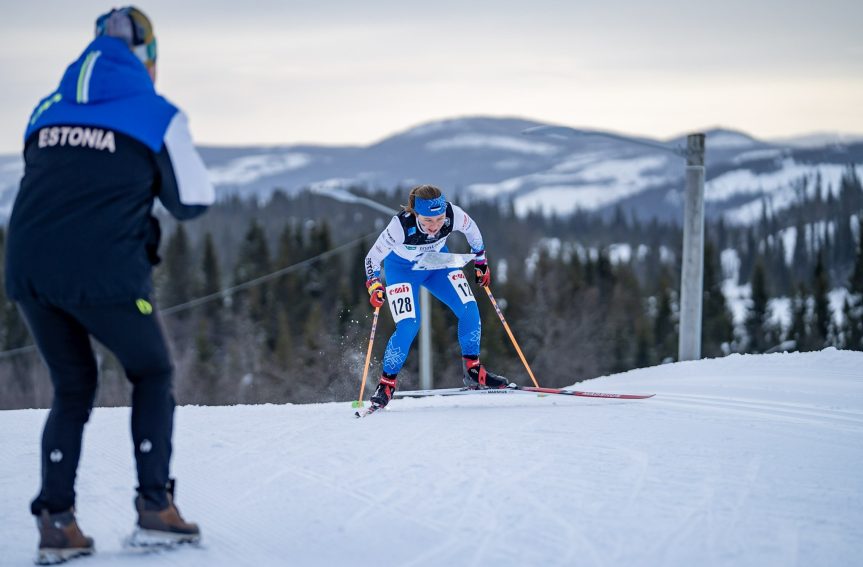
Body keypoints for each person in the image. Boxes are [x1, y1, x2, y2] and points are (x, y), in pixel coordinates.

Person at [5, 7, 214, 563]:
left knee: (72, 389)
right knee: (152, 371)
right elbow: (192, 201)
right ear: (149, 57)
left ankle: (56, 524)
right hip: (105, 272)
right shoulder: (155, 112)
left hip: (27, 268)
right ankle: (154, 509)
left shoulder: (45, 109)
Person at [363, 184, 510, 408]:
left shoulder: (453, 214)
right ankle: (386, 384)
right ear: (415, 214)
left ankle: (473, 371)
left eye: (439, 219)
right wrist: (374, 285)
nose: (434, 226)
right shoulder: (399, 226)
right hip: (402, 270)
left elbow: (473, 231)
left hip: (437, 264)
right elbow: (371, 259)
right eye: (427, 221)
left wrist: (481, 261)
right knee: (409, 324)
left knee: (469, 308)